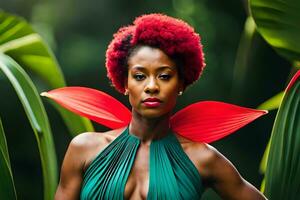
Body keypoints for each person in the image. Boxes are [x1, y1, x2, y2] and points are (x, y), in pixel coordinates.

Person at [52, 13, 267, 199]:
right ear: (124, 83)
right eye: (139, 76)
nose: (152, 86)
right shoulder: (84, 149)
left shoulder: (202, 158)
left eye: (164, 76)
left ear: (181, 83)